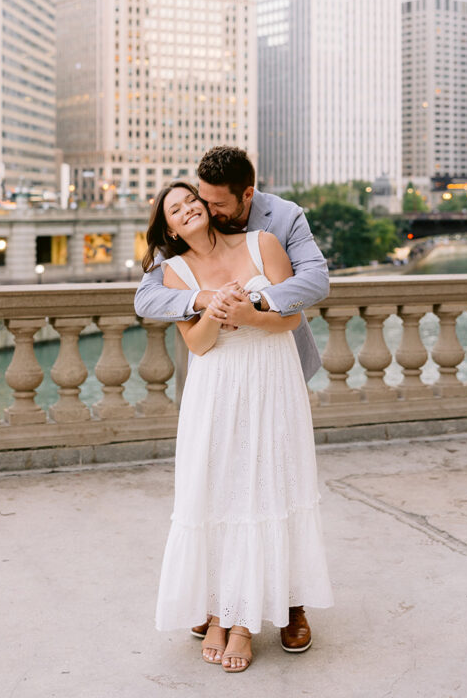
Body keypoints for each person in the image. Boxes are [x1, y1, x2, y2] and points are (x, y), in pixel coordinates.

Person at [135, 146, 330, 653]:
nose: (202, 208)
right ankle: (220, 604)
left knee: (271, 484)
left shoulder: (273, 229)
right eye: (186, 204)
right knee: (219, 488)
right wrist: (208, 305)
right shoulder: (172, 268)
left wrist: (254, 308)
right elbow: (179, 328)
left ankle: (286, 606)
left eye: (206, 203)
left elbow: (307, 293)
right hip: (218, 385)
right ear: (172, 227)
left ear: (246, 194)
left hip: (273, 375)